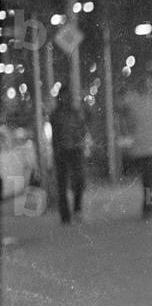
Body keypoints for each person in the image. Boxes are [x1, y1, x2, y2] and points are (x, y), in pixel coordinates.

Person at [120, 76, 152, 218]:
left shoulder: (133, 103)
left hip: (142, 147)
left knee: (147, 178)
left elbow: (127, 120)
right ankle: (149, 205)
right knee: (150, 177)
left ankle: (149, 205)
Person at [49, 85, 88, 224]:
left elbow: (82, 129)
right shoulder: (56, 114)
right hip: (62, 151)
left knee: (79, 181)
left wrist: (80, 142)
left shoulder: (75, 113)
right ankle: (65, 215)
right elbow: (55, 135)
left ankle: (77, 209)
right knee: (62, 184)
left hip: (75, 150)